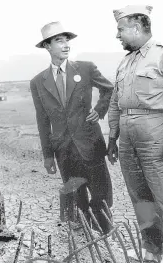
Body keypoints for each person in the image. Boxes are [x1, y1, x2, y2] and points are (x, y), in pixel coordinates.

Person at [107, 5, 163, 263]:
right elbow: (115, 102)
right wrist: (113, 137)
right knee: (140, 196)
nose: (117, 35)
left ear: (137, 27)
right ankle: (151, 247)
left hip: (158, 135)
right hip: (128, 139)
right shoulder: (125, 62)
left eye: (120, 29)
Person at [30, 21, 114, 233]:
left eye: (67, 41)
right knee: (76, 198)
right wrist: (48, 155)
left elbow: (109, 90)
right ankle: (83, 240)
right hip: (64, 151)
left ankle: (104, 238)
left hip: (90, 145)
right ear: (47, 46)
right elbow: (42, 120)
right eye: (59, 41)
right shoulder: (38, 81)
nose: (66, 45)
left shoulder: (85, 68)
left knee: (101, 196)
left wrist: (100, 109)